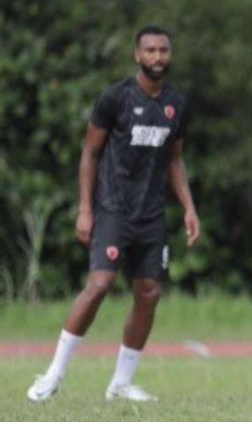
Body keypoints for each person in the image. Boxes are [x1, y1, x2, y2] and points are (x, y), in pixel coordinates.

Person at [27, 25, 201, 402]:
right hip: (112, 209)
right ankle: (53, 375)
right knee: (100, 285)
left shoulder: (177, 104)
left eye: (164, 50)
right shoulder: (115, 98)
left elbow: (175, 159)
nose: (158, 57)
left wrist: (189, 208)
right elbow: (89, 153)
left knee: (149, 292)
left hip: (152, 214)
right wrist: (85, 208)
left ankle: (121, 383)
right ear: (137, 55)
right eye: (150, 50)